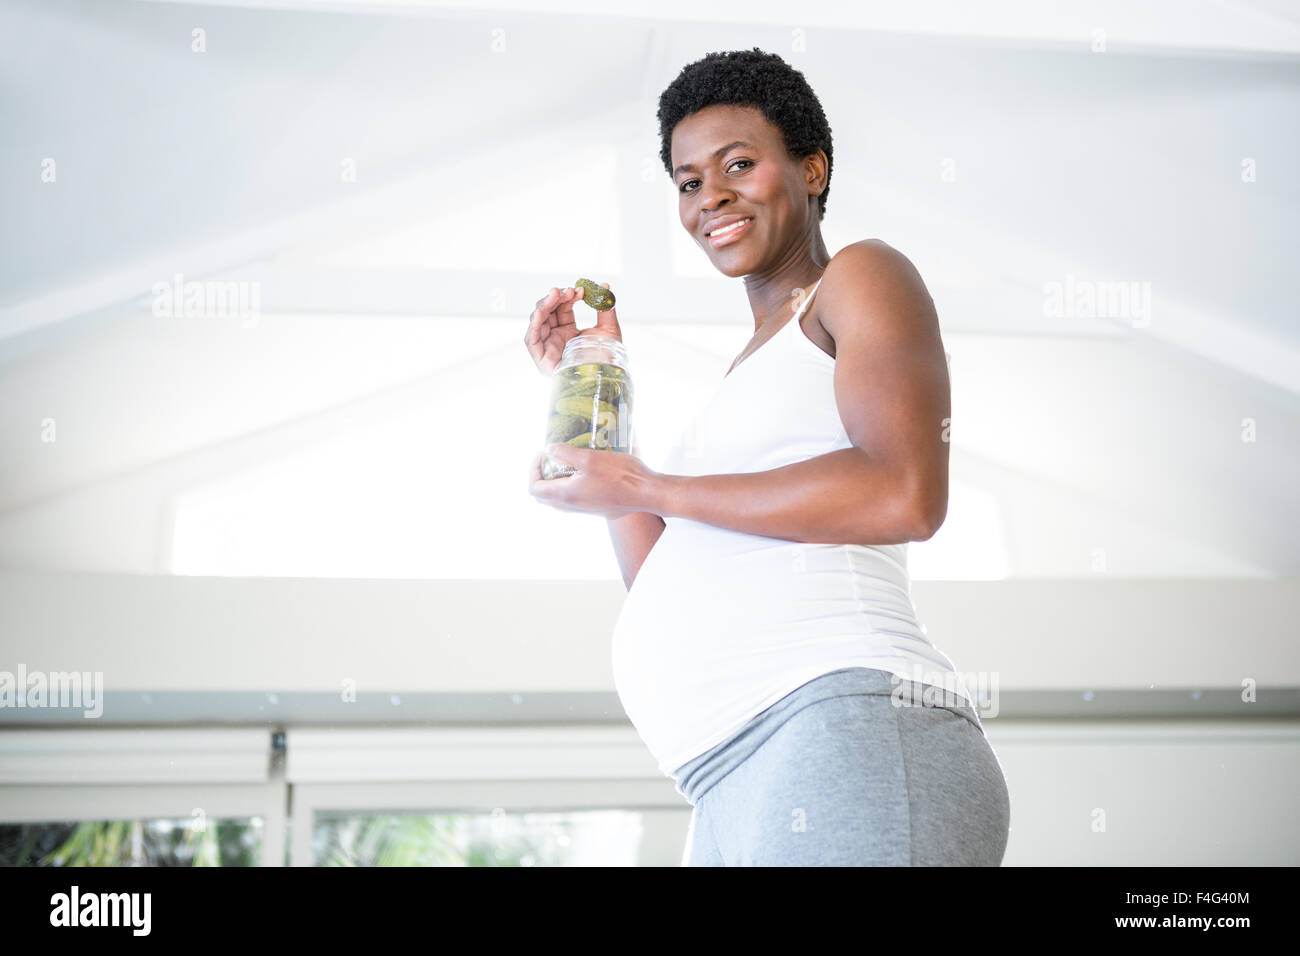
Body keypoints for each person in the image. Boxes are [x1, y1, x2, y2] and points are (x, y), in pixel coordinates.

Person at [525, 48, 1010, 866]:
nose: (709, 195)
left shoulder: (862, 279)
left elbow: (904, 492)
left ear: (812, 168)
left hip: (840, 723)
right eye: (686, 181)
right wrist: (598, 390)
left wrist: (651, 482)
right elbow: (667, 573)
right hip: (725, 776)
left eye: (738, 164)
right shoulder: (745, 377)